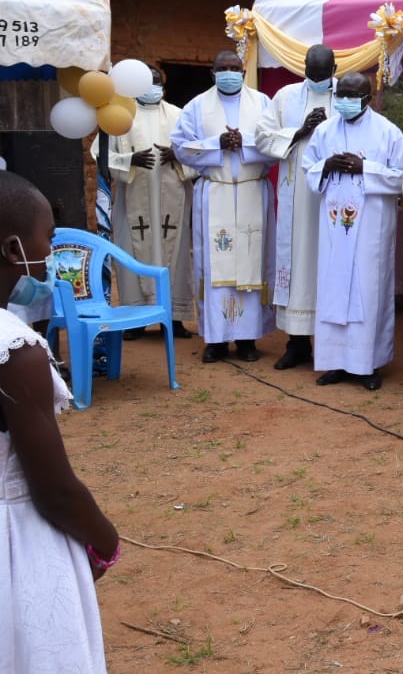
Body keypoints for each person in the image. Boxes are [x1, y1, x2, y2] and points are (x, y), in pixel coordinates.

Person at [0, 170, 118, 673]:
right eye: (48, 239)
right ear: (13, 249)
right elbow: (51, 489)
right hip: (17, 542)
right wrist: (105, 540)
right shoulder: (16, 351)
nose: (52, 254)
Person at [302, 73, 403, 391]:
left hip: (370, 230)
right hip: (334, 227)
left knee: (368, 290)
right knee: (333, 288)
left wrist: (366, 168)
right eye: (341, 94)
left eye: (352, 94)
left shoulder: (388, 132)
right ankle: (335, 362)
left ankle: (367, 365)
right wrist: (327, 165)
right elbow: (309, 167)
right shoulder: (324, 130)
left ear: (369, 96)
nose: (345, 100)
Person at [171, 50, 276, 363]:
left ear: (243, 72)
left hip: (251, 192)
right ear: (212, 73)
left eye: (235, 68)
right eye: (222, 68)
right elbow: (180, 146)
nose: (229, 72)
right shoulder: (196, 106)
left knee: (251, 263)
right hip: (214, 191)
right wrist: (216, 143)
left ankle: (246, 339)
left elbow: (276, 145)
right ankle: (215, 339)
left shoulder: (263, 104)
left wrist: (245, 144)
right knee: (214, 267)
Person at [256, 44, 336, 370]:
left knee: (332, 265)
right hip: (296, 195)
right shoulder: (285, 97)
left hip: (333, 193)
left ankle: (334, 349)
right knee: (299, 265)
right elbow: (262, 136)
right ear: (303, 66)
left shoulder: (347, 93)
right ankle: (298, 344)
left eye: (322, 74)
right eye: (311, 72)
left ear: (334, 69)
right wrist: (300, 131)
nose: (316, 78)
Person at [105, 64, 196, 340]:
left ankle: (175, 317)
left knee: (177, 254)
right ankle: (136, 317)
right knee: (132, 250)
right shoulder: (121, 116)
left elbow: (196, 151)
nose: (152, 86)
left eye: (156, 81)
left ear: (163, 86)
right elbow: (100, 154)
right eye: (146, 81)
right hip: (134, 198)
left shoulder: (180, 116)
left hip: (173, 196)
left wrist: (178, 156)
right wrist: (128, 160)